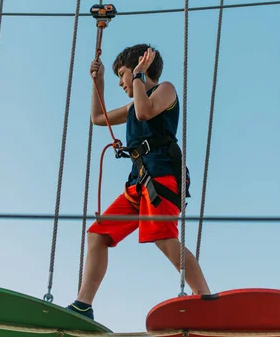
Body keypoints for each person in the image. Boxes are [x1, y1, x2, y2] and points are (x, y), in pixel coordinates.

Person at [66, 43, 211, 321]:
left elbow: (145, 113)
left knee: (164, 238)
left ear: (139, 68)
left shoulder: (164, 89)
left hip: (161, 178)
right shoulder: (136, 102)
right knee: (98, 234)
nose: (121, 82)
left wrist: (139, 77)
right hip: (138, 183)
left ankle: (204, 297)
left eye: (122, 74)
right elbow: (98, 119)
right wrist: (99, 84)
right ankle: (84, 305)